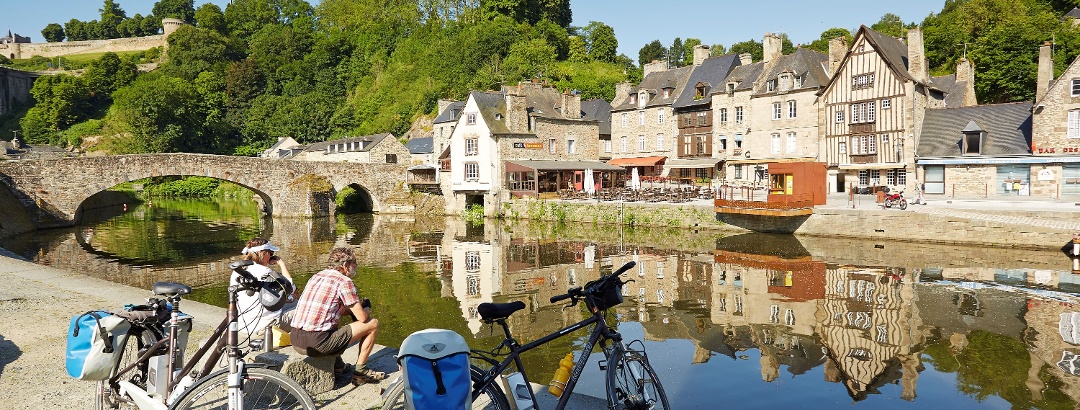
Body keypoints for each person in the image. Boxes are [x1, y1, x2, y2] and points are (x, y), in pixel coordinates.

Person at [290, 247, 384, 385]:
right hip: (316, 343)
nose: (356, 267)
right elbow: (363, 318)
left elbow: (329, 311)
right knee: (373, 324)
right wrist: (366, 308)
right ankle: (361, 373)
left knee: (332, 320)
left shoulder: (317, 276)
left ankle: (338, 366)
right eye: (354, 264)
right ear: (345, 265)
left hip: (296, 339)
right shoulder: (344, 282)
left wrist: (352, 310)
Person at [233, 238, 296, 337]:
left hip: (243, 327)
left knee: (293, 302)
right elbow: (291, 289)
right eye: (270, 253)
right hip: (265, 326)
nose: (271, 256)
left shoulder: (238, 271)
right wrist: (281, 264)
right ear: (263, 253)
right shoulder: (265, 272)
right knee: (306, 308)